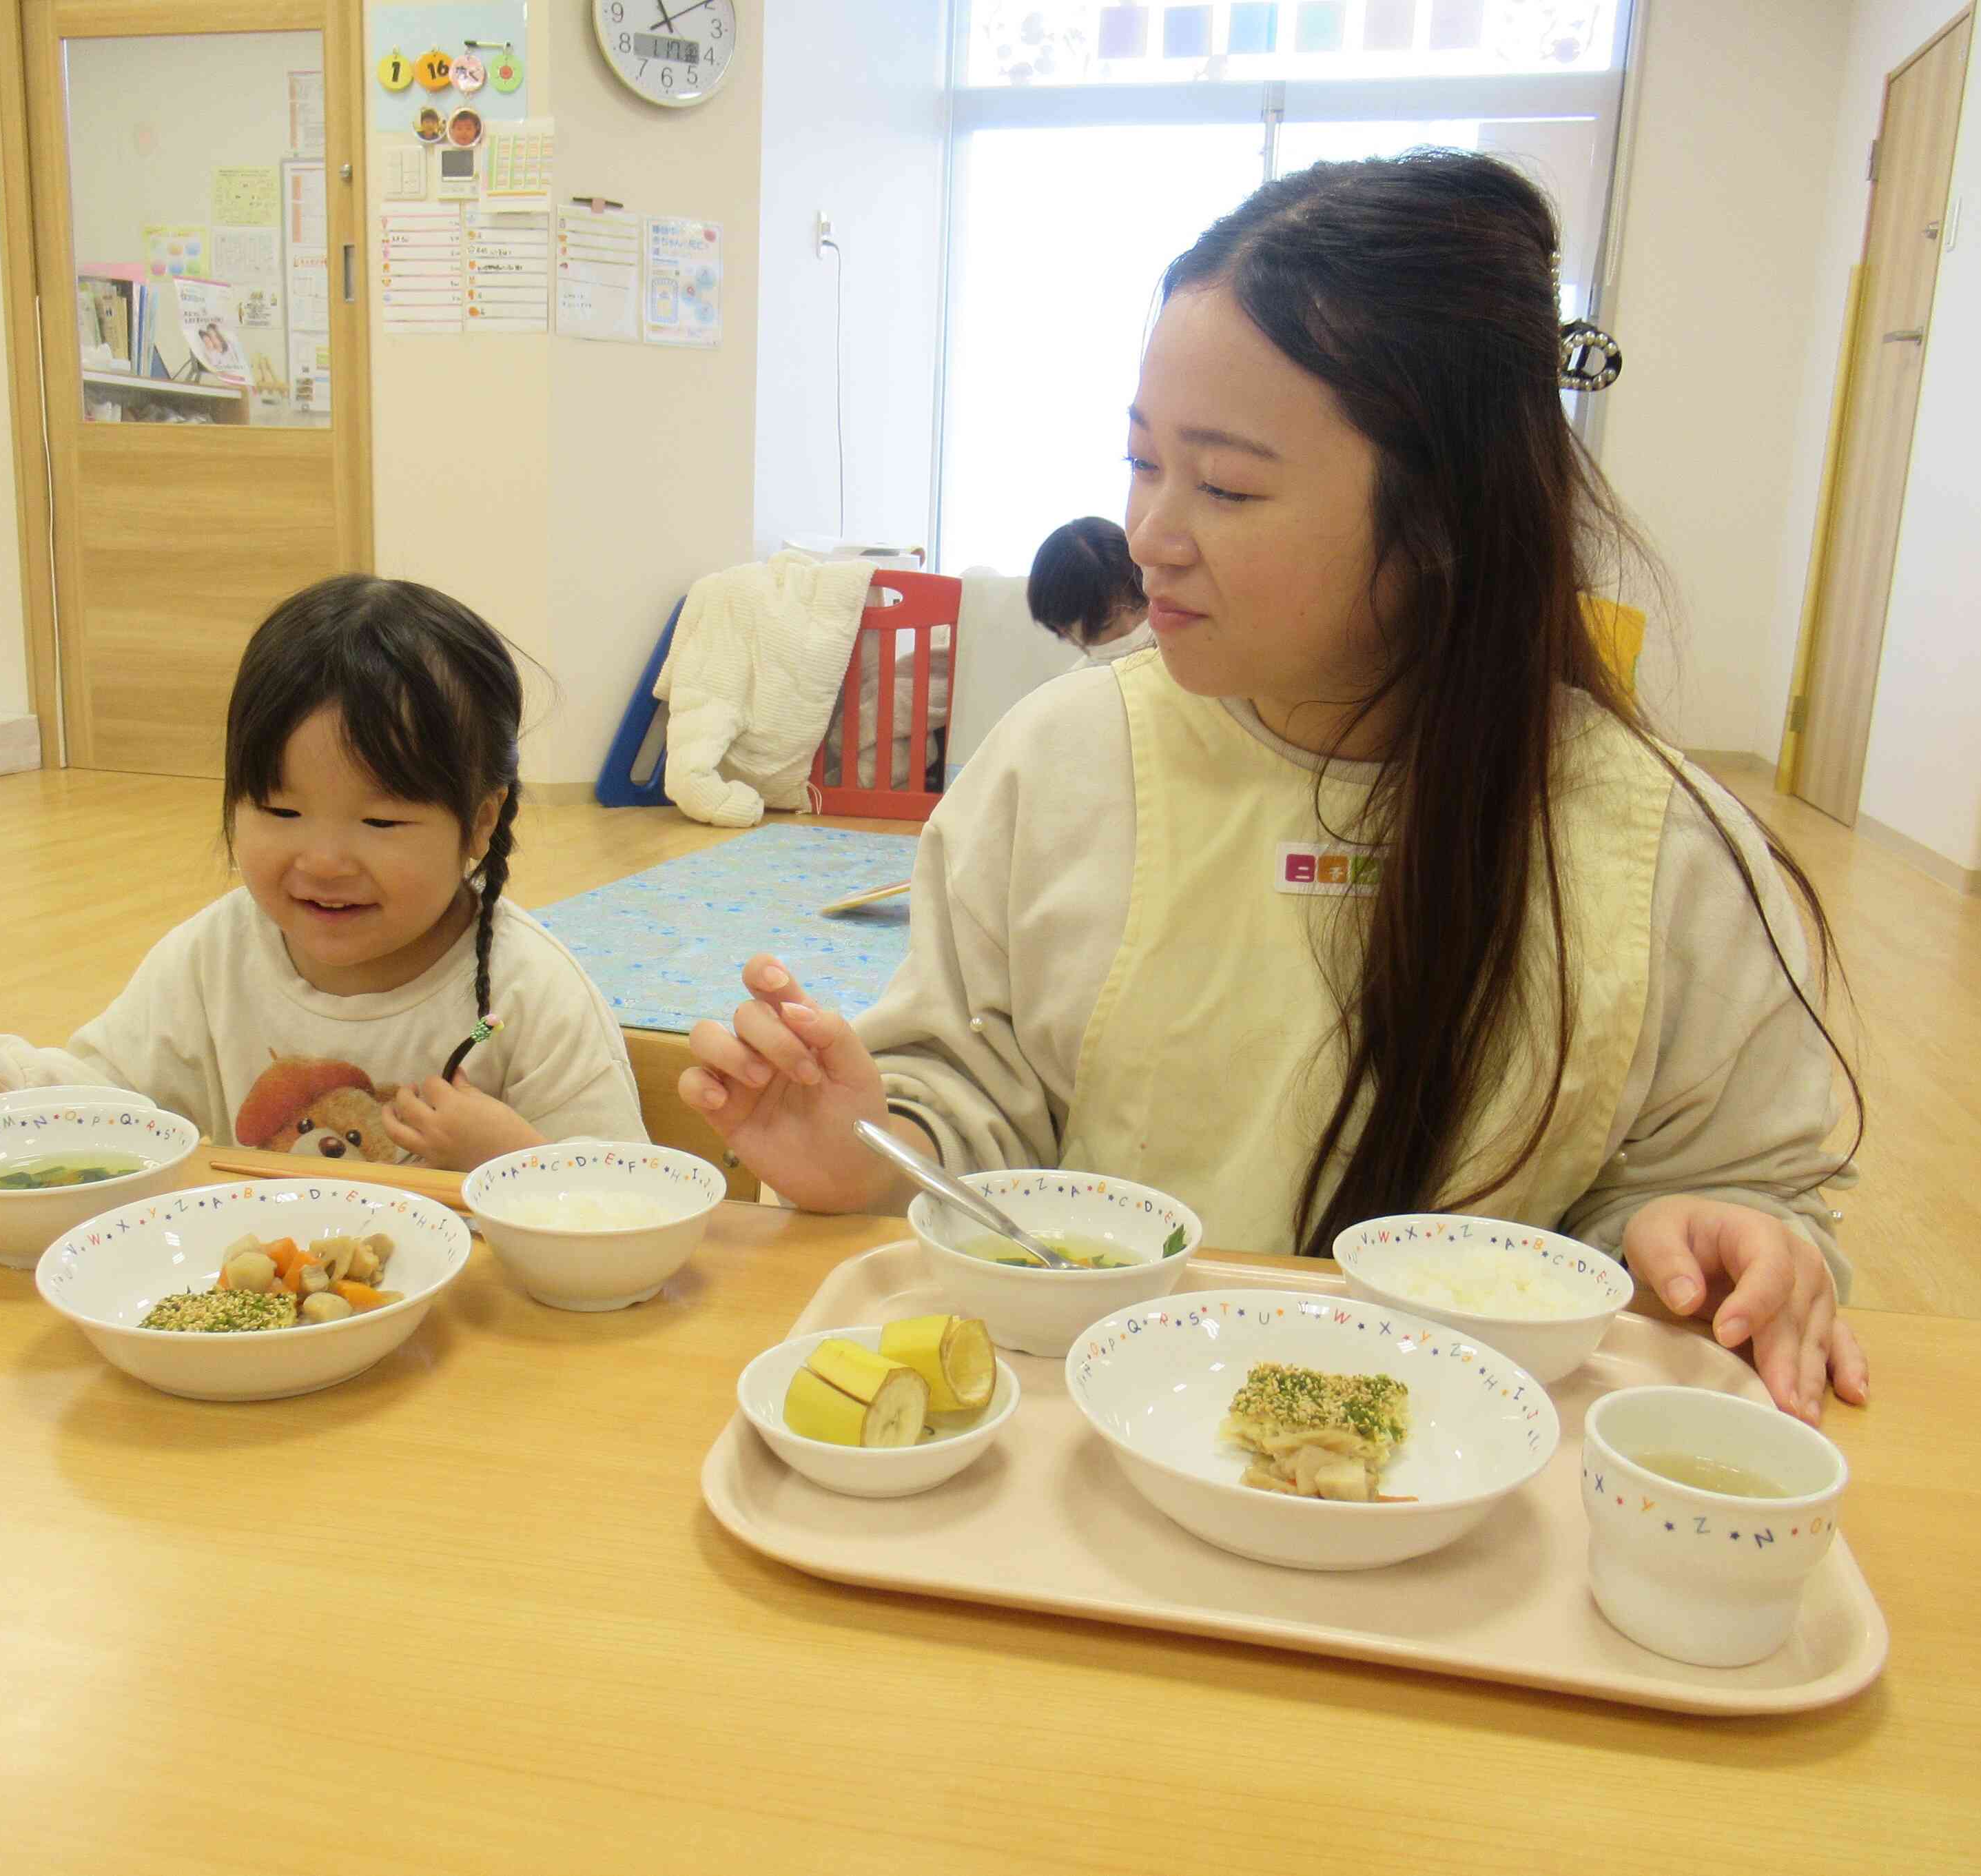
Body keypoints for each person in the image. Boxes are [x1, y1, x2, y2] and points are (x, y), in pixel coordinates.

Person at [679, 151, 1867, 1423]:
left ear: (1443, 517)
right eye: (1142, 463)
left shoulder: (1658, 846)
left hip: (1470, 1472)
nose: (1146, 535)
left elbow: (1735, 1189)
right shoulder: (1059, 761)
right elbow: (973, 1107)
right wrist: (867, 1147)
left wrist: (1726, 1237)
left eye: (1228, 485)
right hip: (1094, 1435)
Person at [0, 575, 645, 1170]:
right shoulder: (211, 957)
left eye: (381, 820)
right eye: (279, 812)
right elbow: (102, 1098)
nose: (321, 858)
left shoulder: (528, 995)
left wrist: (507, 1157)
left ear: (482, 820)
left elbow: (625, 1198)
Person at [1027, 516, 1155, 666]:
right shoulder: (1076, 688)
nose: (1131, 630)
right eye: (1106, 624)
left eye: (1139, 606)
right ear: (1065, 632)